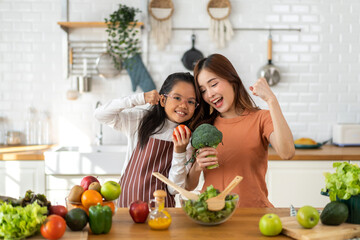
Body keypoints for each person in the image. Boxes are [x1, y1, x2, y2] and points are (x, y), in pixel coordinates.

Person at [186, 54, 295, 207]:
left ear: (231, 79)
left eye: (213, 84)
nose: (209, 94)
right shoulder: (204, 128)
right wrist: (197, 166)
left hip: (254, 215)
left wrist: (271, 100)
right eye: (203, 90)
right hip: (213, 216)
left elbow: (287, 152)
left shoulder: (261, 118)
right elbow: (189, 186)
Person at [94, 72, 200, 207]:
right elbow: (100, 115)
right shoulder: (140, 120)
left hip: (161, 210)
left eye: (191, 101)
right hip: (126, 203)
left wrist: (180, 151)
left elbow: (174, 189)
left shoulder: (188, 138)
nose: (184, 105)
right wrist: (140, 98)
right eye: (177, 98)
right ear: (163, 100)